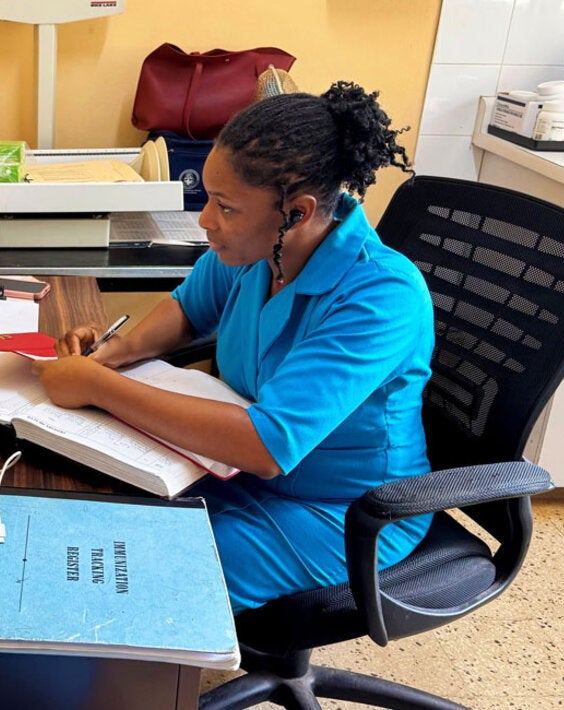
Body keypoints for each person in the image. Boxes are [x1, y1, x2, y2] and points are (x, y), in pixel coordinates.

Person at [32, 82, 433, 614]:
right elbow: (188, 309)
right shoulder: (258, 252)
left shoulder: (382, 296)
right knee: (77, 516)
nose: (205, 220)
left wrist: (99, 386)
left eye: (224, 206)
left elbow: (265, 446)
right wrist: (118, 351)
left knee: (127, 579)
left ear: (298, 211)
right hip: (229, 472)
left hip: (345, 511)